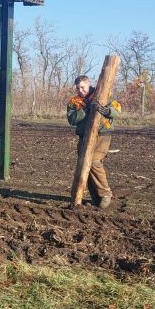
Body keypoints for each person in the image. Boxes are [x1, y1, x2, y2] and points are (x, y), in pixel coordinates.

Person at [66, 74, 121, 208]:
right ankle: (96, 198)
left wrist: (106, 110)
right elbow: (72, 119)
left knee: (94, 161)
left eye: (83, 87)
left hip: (102, 134)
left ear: (88, 84)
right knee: (84, 164)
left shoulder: (102, 93)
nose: (80, 91)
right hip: (84, 136)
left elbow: (117, 109)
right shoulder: (74, 101)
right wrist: (85, 109)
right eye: (78, 88)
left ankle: (105, 194)